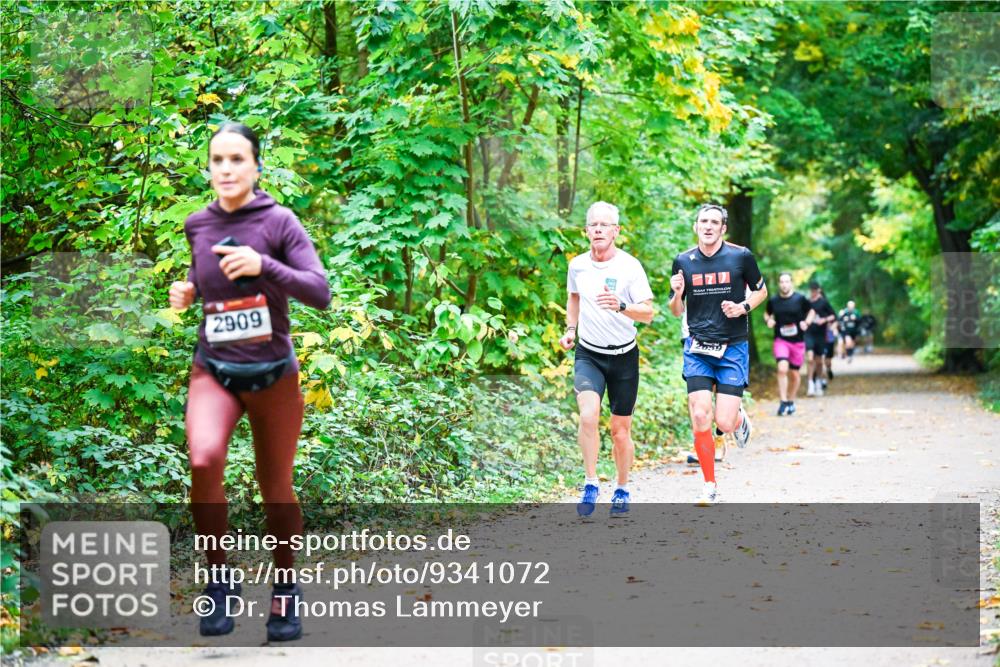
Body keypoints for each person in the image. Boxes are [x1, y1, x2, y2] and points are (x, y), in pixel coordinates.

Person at [168, 122, 331, 641]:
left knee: (274, 488)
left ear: (256, 166)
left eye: (237, 159)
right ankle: (220, 582)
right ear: (209, 168)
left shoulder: (279, 222)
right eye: (217, 160)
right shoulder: (198, 224)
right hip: (213, 367)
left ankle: (285, 593)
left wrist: (266, 265)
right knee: (203, 458)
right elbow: (206, 274)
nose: (226, 169)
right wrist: (190, 289)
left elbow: (320, 291)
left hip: (272, 373)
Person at [560, 201, 655, 517]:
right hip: (589, 353)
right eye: (593, 225)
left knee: (619, 431)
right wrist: (570, 329)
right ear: (586, 231)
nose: (598, 229)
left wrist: (621, 306)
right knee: (588, 415)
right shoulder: (577, 266)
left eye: (605, 225)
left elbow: (649, 313)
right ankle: (590, 483)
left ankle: (623, 487)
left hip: (624, 356)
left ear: (616, 231)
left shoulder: (630, 267)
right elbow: (573, 297)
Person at [669, 203, 767, 505]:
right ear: (696, 226)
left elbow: (761, 290)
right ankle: (709, 483)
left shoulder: (741, 257)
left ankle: (736, 420)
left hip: (733, 346)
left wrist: (743, 307)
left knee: (722, 422)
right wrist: (676, 293)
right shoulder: (683, 261)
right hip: (698, 347)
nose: (708, 226)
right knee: (700, 415)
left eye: (714, 222)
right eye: (703, 221)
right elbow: (676, 311)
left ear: (723, 228)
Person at [764, 273, 814, 416]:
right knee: (781, 369)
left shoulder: (800, 299)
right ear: (779, 284)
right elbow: (767, 314)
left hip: (797, 342)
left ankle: (791, 401)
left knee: (795, 374)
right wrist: (769, 321)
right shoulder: (773, 300)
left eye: (787, 281)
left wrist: (807, 322)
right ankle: (783, 401)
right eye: (782, 282)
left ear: (791, 283)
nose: (784, 284)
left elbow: (811, 311)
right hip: (781, 340)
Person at [804, 282, 835, 397]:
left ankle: (818, 381)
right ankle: (810, 384)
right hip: (808, 333)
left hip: (821, 334)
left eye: (814, 290)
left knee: (819, 361)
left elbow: (833, 316)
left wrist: (824, 319)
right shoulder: (806, 303)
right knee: (810, 358)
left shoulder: (823, 302)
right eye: (811, 290)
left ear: (818, 290)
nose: (812, 292)